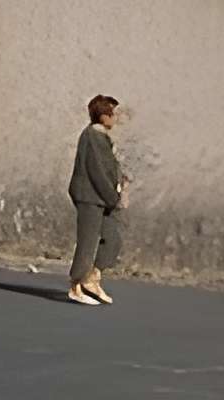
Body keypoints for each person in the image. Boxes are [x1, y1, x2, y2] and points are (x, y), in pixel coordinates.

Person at [67, 93, 128, 305]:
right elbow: (97, 171)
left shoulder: (103, 137)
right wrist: (113, 197)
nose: (117, 118)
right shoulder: (92, 136)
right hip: (89, 196)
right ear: (103, 116)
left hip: (105, 198)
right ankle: (76, 285)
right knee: (88, 240)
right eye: (114, 113)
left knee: (112, 239)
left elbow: (110, 169)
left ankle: (92, 277)